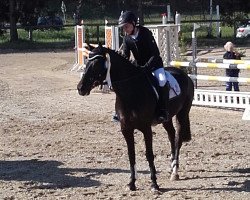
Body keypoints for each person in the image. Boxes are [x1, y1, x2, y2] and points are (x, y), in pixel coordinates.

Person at [113, 11, 170, 123]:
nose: (125, 29)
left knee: (162, 81)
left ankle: (162, 110)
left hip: (154, 65)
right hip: (139, 67)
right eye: (123, 27)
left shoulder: (145, 33)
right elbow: (126, 56)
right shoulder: (127, 39)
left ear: (133, 23)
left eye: (126, 26)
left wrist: (146, 67)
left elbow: (155, 54)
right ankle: (120, 111)